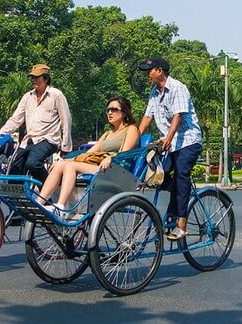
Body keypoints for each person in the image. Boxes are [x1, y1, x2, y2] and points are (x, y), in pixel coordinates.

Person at [36, 96, 140, 218]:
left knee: (71, 166)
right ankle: (39, 203)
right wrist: (64, 160)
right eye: (108, 110)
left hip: (117, 170)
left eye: (114, 109)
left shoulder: (131, 129)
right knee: (61, 165)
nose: (110, 113)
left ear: (124, 112)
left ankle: (61, 206)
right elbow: (88, 154)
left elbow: (125, 153)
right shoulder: (107, 134)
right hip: (101, 168)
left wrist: (111, 158)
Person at [137, 57, 202, 241]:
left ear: (159, 71)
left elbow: (178, 116)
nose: (147, 75)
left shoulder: (177, 87)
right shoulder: (154, 93)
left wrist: (169, 137)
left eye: (149, 71)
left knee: (182, 174)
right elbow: (146, 118)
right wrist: (134, 138)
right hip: (170, 144)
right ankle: (180, 195)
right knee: (159, 176)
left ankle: (181, 223)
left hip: (188, 141)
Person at [0, 64, 72, 182]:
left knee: (33, 163)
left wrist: (65, 146)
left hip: (48, 140)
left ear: (46, 78)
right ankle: (17, 199)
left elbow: (66, 121)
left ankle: (47, 189)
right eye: (32, 77)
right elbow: (15, 119)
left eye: (37, 77)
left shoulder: (56, 95)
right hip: (30, 140)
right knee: (15, 168)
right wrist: (1, 135)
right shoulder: (27, 97)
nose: (33, 80)